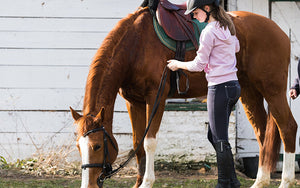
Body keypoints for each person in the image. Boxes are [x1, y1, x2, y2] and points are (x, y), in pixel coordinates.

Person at [167, 0, 241, 187]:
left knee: (219, 138)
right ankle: (232, 181)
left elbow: (198, 65)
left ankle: (224, 183)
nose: (194, 16)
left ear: (207, 9)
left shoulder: (208, 31)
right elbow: (237, 48)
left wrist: (178, 64)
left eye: (196, 13)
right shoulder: (228, 28)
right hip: (233, 86)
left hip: (219, 88)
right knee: (213, 135)